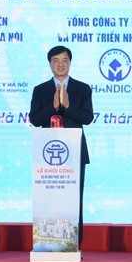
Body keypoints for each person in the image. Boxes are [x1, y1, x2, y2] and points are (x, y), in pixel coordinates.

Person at [29, 45, 94, 245]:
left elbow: (87, 118)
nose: (60, 65)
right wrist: (53, 106)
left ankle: (74, 242)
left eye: (65, 60)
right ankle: (48, 239)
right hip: (48, 154)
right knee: (49, 196)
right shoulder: (40, 90)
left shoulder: (83, 88)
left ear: (70, 63)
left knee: (74, 197)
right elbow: (35, 119)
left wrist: (67, 106)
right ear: (50, 64)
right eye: (56, 61)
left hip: (75, 152)